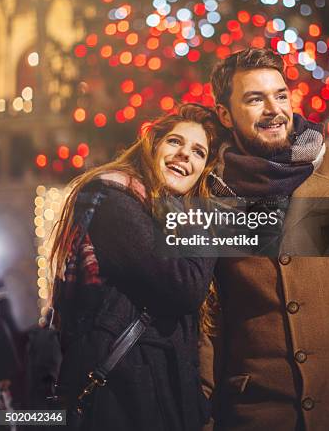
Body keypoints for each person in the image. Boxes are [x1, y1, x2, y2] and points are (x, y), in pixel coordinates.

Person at [199, 48, 329, 431]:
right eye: (254, 98)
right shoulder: (210, 192)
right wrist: (204, 408)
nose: (273, 109)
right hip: (253, 412)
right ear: (225, 114)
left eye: (280, 95)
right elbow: (204, 315)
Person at [50, 104, 222, 431]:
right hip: (123, 400)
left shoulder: (170, 219)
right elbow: (184, 286)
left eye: (198, 152)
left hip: (165, 401)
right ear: (153, 146)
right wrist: (208, 216)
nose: (185, 154)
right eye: (175, 142)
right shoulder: (115, 199)